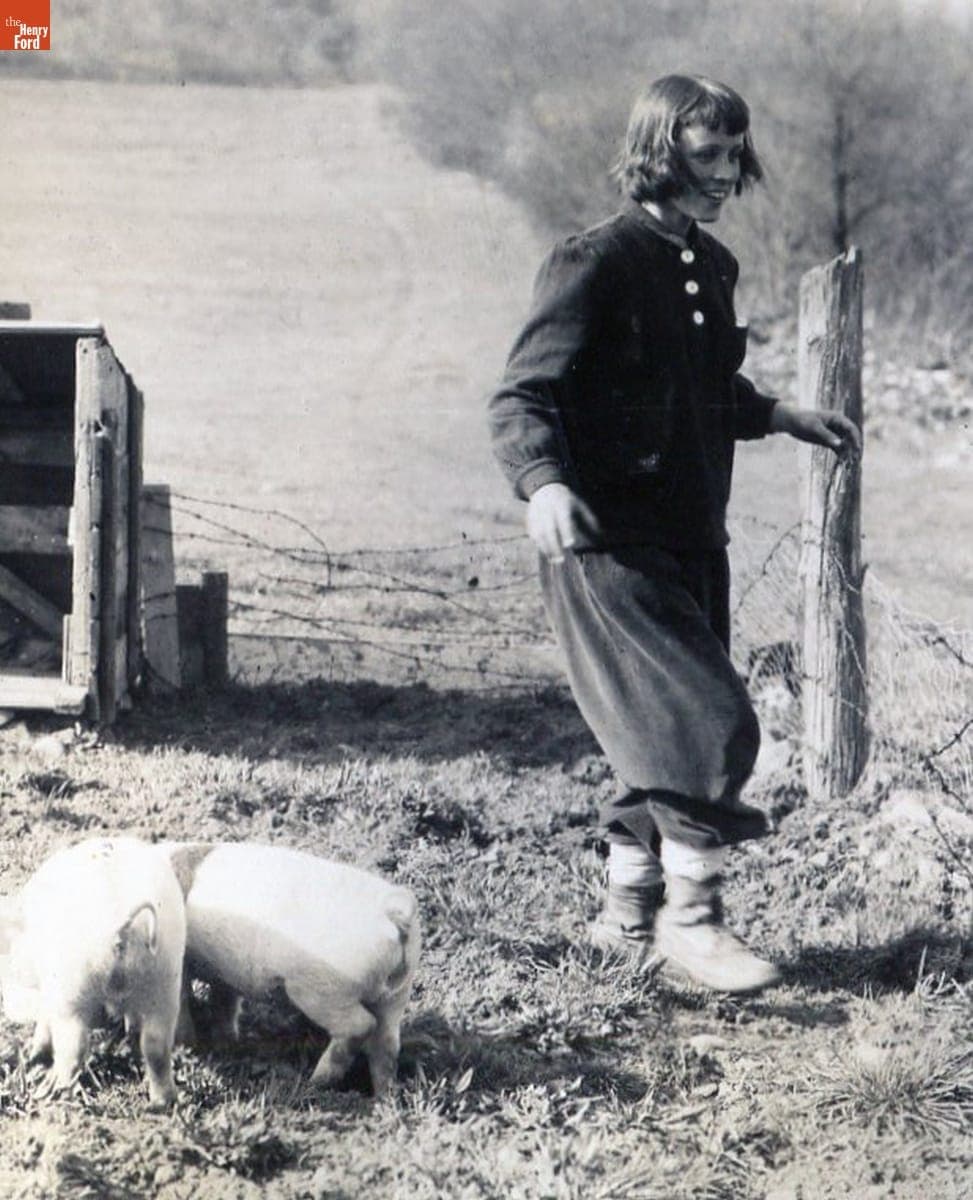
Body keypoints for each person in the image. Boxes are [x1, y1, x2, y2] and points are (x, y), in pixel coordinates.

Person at [487, 74, 861, 994]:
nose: (727, 171)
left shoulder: (711, 265)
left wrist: (777, 414)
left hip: (693, 538)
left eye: (735, 152)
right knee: (704, 722)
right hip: (606, 546)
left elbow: (696, 386)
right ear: (660, 153)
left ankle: (626, 919)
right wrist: (542, 483)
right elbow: (522, 393)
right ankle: (693, 924)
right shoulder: (593, 262)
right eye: (707, 153)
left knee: (644, 735)